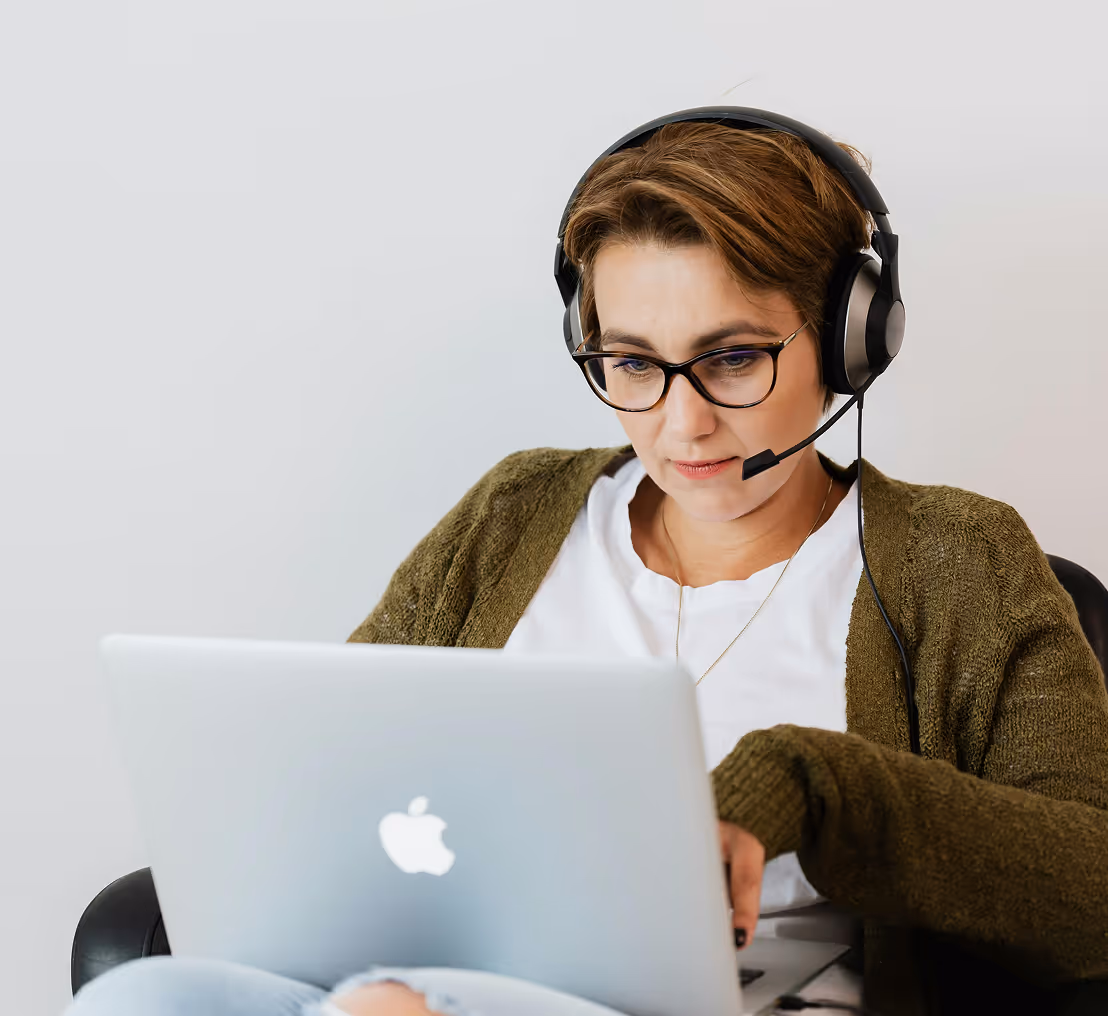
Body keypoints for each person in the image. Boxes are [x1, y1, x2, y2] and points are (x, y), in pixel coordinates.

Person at [65, 114, 1108, 1016]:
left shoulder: (956, 557)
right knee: (140, 992)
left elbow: (1088, 893)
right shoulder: (516, 509)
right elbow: (346, 767)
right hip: (421, 984)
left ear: (848, 339)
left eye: (734, 356)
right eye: (630, 363)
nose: (681, 419)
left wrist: (805, 783)